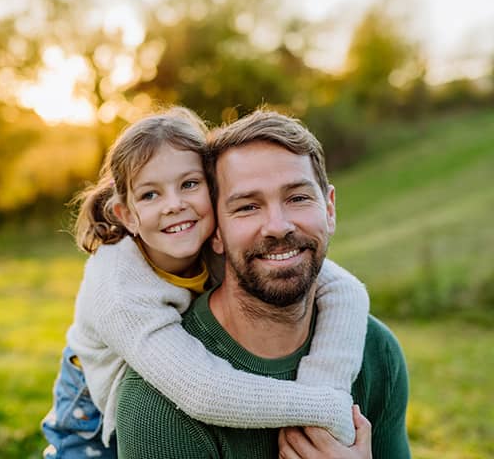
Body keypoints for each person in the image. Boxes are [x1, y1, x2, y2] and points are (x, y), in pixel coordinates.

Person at [41, 107, 370, 459]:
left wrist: (325, 381)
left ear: (215, 193)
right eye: (150, 194)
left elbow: (344, 288)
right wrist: (322, 406)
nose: (174, 205)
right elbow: (202, 389)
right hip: (89, 411)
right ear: (127, 215)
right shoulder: (118, 287)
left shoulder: (215, 237)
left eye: (189, 184)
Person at [115, 109, 411, 458]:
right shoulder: (156, 402)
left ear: (329, 209)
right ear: (215, 233)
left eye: (298, 198)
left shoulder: (376, 352)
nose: (278, 226)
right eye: (247, 207)